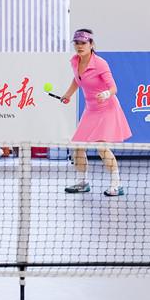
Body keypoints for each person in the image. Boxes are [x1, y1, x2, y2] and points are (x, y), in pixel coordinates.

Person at [59, 29, 131, 196]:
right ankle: (83, 182)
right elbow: (78, 79)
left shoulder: (100, 64)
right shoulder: (75, 61)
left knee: (101, 146)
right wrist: (68, 94)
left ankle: (117, 185)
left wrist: (105, 94)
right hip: (90, 110)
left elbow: (113, 88)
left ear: (91, 44)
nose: (79, 46)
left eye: (83, 43)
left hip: (107, 108)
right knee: (78, 146)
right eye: (77, 43)